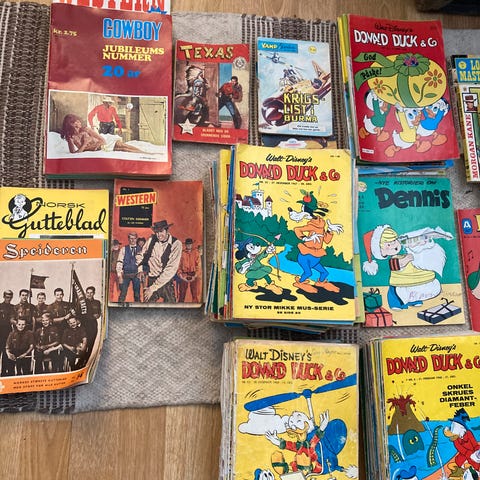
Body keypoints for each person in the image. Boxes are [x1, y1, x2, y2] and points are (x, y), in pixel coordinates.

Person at [137, 220, 182, 303]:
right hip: (151, 279)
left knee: (171, 308)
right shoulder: (151, 240)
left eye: (161, 231)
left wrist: (152, 288)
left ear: (167, 231)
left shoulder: (176, 244)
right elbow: (140, 255)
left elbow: (170, 270)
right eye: (156, 232)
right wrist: (140, 269)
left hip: (166, 282)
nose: (158, 235)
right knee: (148, 308)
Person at [60, 114, 146, 154]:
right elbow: (74, 153)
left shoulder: (86, 129)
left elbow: (102, 140)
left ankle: (145, 153)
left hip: (104, 141)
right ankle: (144, 153)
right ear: (71, 124)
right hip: (99, 147)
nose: (79, 122)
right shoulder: (70, 138)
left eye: (78, 120)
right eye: (76, 121)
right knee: (123, 149)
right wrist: (85, 144)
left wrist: (85, 147)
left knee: (122, 145)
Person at [116, 232, 141, 303]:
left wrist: (141, 272)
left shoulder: (141, 249)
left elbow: (142, 263)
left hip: (136, 274)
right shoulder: (123, 249)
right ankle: (119, 309)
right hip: (126, 274)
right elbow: (119, 262)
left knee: (137, 295)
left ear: (136, 239)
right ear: (128, 239)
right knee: (122, 294)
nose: (132, 240)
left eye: (134, 238)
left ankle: (138, 309)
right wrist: (119, 276)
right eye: (131, 238)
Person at [177, 238, 201, 303]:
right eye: (187, 244)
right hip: (184, 274)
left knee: (195, 294)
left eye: (190, 244)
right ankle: (180, 307)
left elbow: (198, 266)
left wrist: (195, 276)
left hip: (193, 274)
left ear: (192, 244)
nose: (189, 245)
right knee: (182, 294)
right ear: (185, 245)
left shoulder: (196, 253)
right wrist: (181, 276)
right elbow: (178, 266)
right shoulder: (182, 253)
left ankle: (195, 307)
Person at [80, 286, 101, 360]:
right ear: (85, 293)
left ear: (94, 293)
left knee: (91, 345)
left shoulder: (97, 302)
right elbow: (79, 314)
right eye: (88, 293)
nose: (89, 294)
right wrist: (92, 316)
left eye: (91, 293)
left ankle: (87, 361)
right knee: (84, 344)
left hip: (93, 326)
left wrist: (97, 315)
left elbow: (98, 314)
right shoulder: (82, 303)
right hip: (84, 326)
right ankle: (81, 361)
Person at [0, 290, 16, 375]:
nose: (8, 299)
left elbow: (13, 319)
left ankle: (4, 372)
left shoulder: (13, 307)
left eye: (10, 297)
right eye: (7, 297)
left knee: (6, 352)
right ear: (3, 297)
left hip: (8, 332)